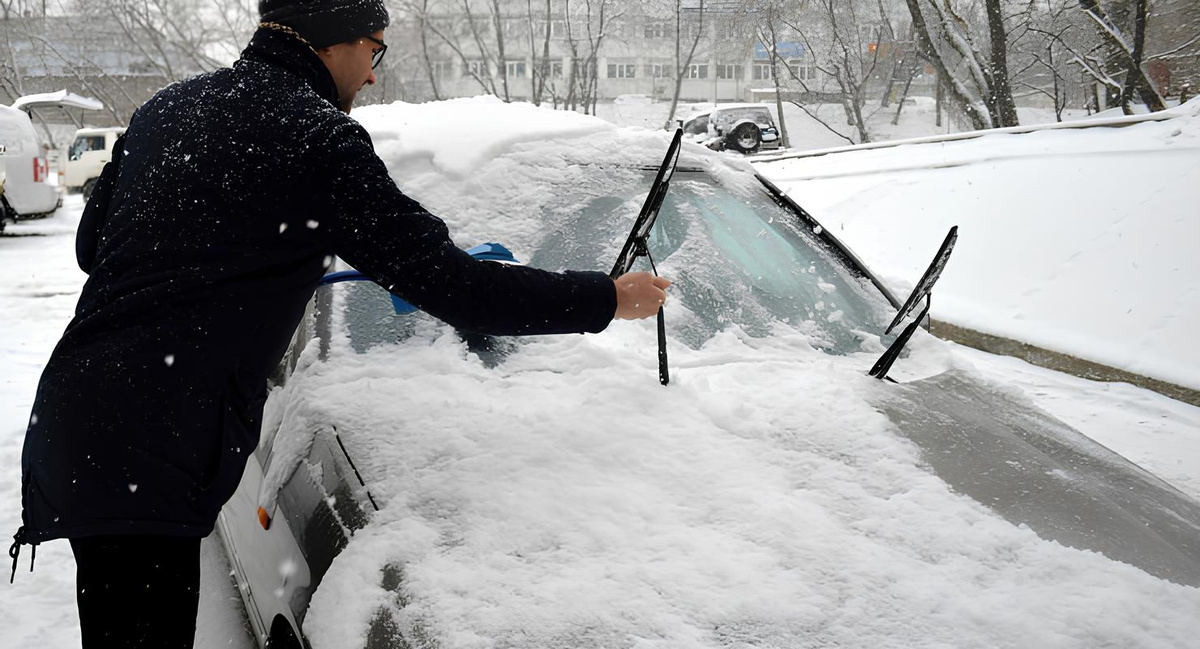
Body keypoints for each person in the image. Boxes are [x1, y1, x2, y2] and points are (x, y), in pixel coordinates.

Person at [9, 0, 670, 646]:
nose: (375, 72)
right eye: (375, 49)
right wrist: (607, 298)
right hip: (157, 444)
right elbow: (455, 286)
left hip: (83, 416)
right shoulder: (317, 139)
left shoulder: (167, 109)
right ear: (334, 40)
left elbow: (91, 248)